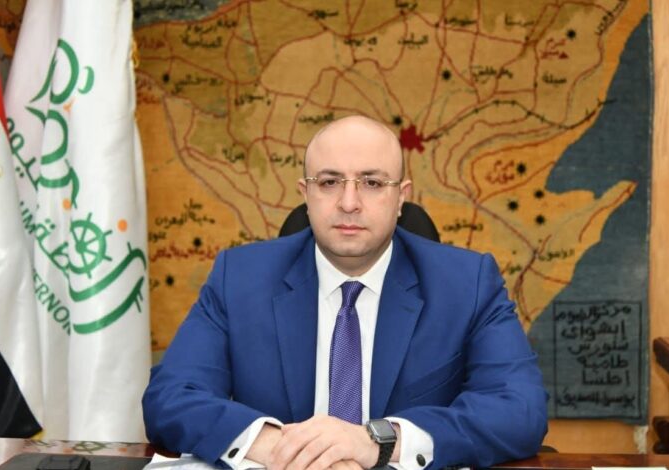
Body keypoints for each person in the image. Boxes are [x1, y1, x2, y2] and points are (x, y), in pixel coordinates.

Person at [143, 115, 548, 469]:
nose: (349, 203)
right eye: (329, 182)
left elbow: (520, 410)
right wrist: (285, 448)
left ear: (401, 197)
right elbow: (171, 397)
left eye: (372, 182)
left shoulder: (467, 283)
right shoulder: (240, 278)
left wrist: (377, 442)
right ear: (305, 194)